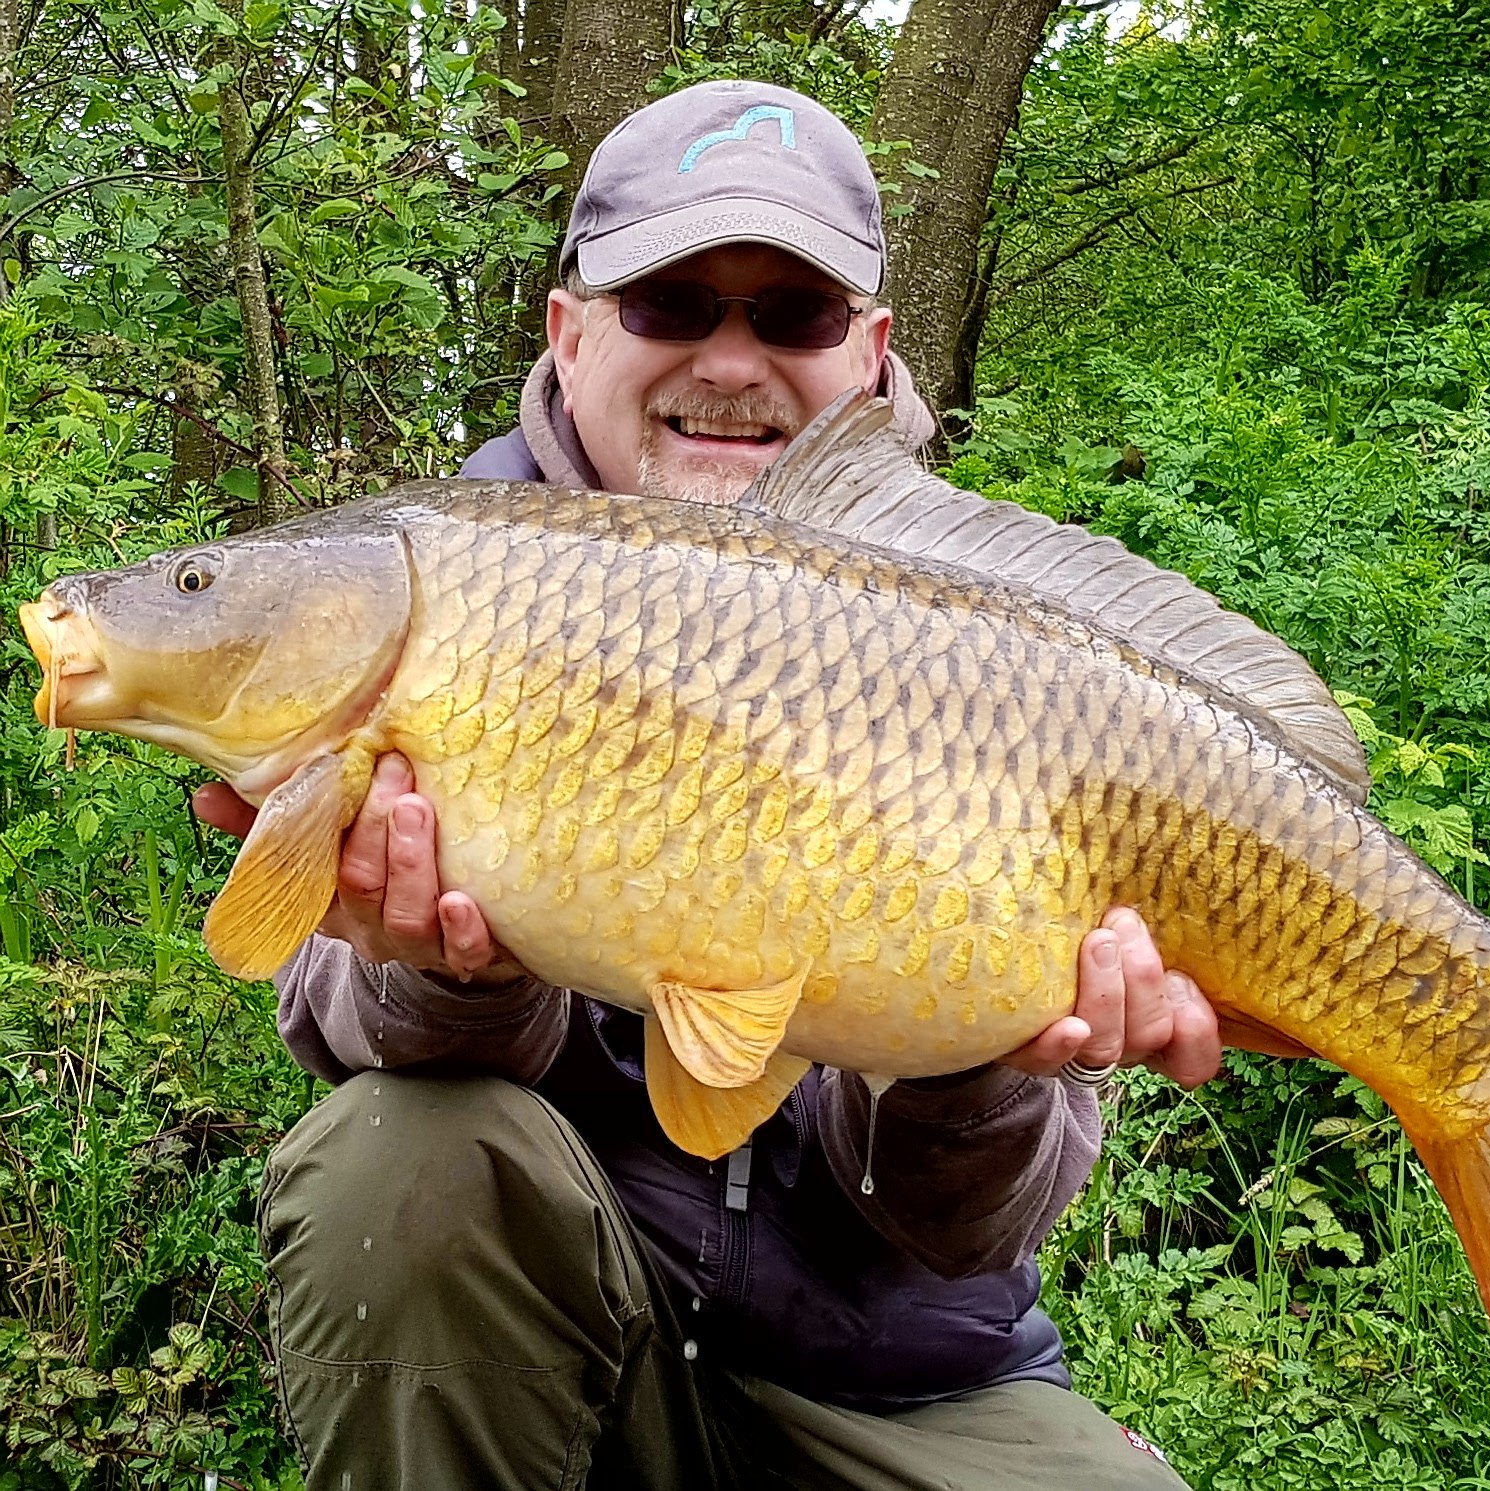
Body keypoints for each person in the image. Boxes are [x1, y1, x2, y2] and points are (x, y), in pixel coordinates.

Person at [195, 80, 1224, 1490]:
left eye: (791, 316)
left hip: (901, 1380)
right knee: (397, 1160)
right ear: (571, 334)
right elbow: (331, 1018)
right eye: (673, 303)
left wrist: (978, 1061)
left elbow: (968, 1230)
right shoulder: (435, 580)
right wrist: (467, 977)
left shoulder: (996, 637)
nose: (730, 361)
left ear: (867, 357)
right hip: (567, 1337)